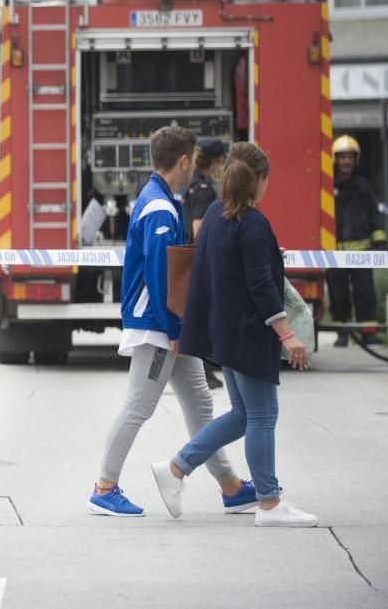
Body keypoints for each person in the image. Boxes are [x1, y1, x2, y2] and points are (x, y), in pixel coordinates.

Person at [88, 126, 255, 517]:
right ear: (183, 161)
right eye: (194, 161)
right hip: (161, 326)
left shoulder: (158, 199)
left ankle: (230, 487)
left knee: (199, 403)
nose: (194, 168)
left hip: (168, 324)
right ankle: (104, 487)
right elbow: (161, 278)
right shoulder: (160, 208)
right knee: (138, 407)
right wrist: (178, 331)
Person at [151, 142, 317, 528]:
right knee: (262, 415)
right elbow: (260, 284)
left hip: (224, 333)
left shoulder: (215, 214)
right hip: (248, 333)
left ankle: (176, 467)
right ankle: (270, 503)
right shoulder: (253, 223)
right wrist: (287, 334)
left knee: (244, 415)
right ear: (260, 180)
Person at [326, 135, 386, 347]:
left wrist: (380, 240)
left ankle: (368, 333)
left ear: (356, 159)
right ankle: (343, 333)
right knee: (338, 294)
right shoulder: (327, 187)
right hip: (334, 252)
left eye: (350, 157)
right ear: (335, 159)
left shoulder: (363, 187)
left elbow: (375, 215)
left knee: (365, 293)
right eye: (342, 157)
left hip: (361, 251)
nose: (346, 161)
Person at [183, 137, 228, 389]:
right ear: (216, 161)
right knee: (206, 316)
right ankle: (206, 371)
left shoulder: (192, 182)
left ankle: (205, 370)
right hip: (201, 257)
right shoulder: (202, 188)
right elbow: (199, 227)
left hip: (193, 257)